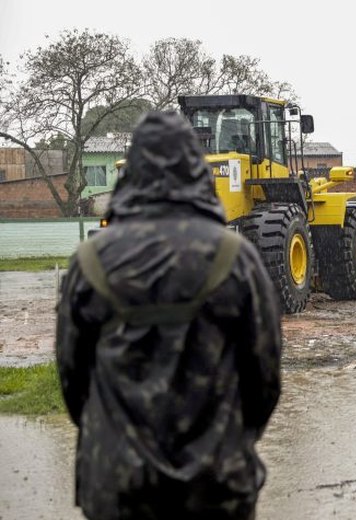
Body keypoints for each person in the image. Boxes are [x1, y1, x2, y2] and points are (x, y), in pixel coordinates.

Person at [56, 111, 282, 520]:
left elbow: (74, 383)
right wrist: (229, 441)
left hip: (118, 489)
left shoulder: (89, 263)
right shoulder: (236, 260)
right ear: (196, 169)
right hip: (216, 487)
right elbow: (263, 379)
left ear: (132, 171)